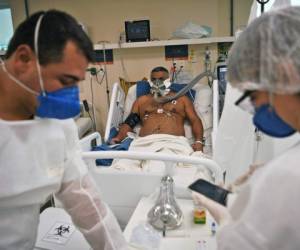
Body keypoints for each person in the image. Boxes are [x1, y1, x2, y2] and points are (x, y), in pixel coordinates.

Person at [0, 10, 127, 250]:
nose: (72, 97)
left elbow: (85, 200)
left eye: (76, 83)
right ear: (24, 59)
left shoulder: (57, 125)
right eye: (65, 81)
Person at [193, 6, 300, 250]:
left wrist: (228, 221)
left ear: (283, 74)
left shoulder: (289, 174)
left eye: (252, 94)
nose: (255, 108)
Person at [111, 66, 205, 152]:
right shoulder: (142, 101)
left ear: (168, 81)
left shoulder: (182, 100)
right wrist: (119, 137)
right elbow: (129, 123)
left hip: (174, 143)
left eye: (161, 79)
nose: (157, 82)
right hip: (144, 144)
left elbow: (195, 120)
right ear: (150, 82)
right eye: (154, 79)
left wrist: (199, 142)